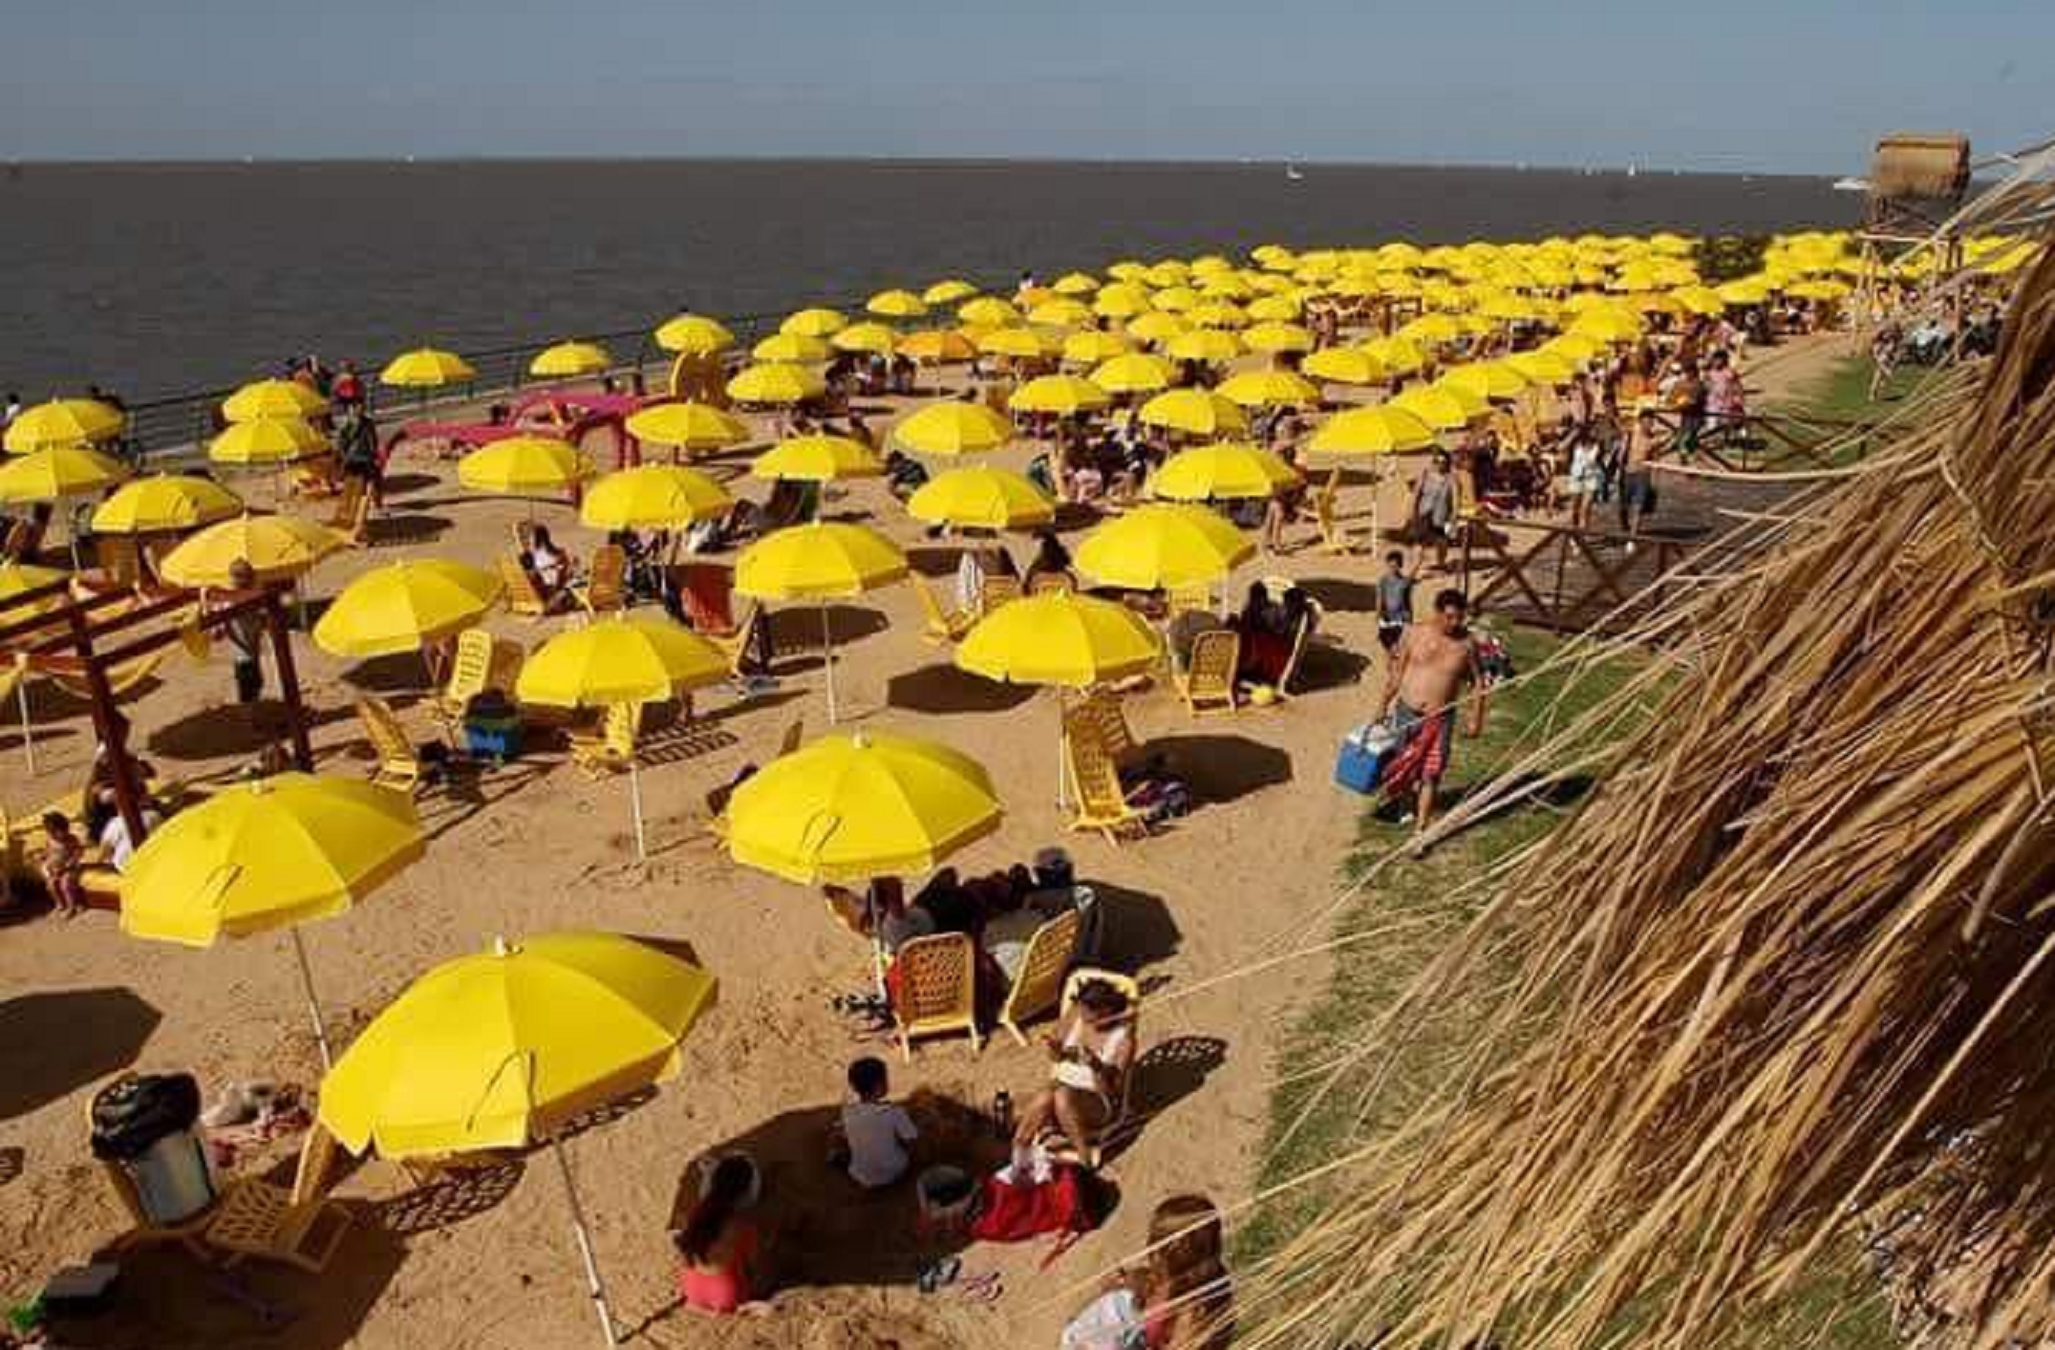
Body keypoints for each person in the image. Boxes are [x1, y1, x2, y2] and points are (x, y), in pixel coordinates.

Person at [1379, 588, 1489, 842]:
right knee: (1404, 766)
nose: (1454, 623)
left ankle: (1421, 826)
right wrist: (1382, 706)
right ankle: (1406, 806)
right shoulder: (1413, 633)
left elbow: (1479, 680)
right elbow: (1396, 672)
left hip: (1439, 719)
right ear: (1437, 612)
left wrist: (1476, 718)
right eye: (1449, 617)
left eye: (1459, 618)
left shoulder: (1466, 644)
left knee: (1431, 773)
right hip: (1407, 711)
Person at [1013, 977, 1137, 1165]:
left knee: (1060, 1094)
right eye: (1081, 1008)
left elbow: (1113, 1092)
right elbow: (1055, 1058)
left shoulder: (1123, 1040)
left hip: (1096, 1103)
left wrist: (1096, 1066)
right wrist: (1055, 1049)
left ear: (1106, 1011)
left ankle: (1084, 1155)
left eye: (1088, 1012)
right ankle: (1019, 1149)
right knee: (1049, 1093)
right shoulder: (1075, 1016)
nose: (1083, 1015)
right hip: (1057, 1091)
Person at [1134, 1195, 1235, 1349]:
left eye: (1157, 1243)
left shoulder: (1194, 1314)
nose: (1150, 1248)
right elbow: (1151, 1283)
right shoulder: (1172, 1277)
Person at [674, 1155, 767, 1315]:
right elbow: (753, 1268)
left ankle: (702, 1305)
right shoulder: (743, 1226)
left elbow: (683, 1256)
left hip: (691, 1290)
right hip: (728, 1297)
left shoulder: (691, 1215)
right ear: (744, 1194)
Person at [840, 1056, 918, 1190]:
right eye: (885, 1079)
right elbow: (912, 1140)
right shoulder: (893, 1111)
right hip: (893, 1173)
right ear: (880, 1086)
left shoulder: (847, 1111)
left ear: (853, 1086)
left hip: (859, 1175)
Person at [224, 558, 267, 705]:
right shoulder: (230, 599)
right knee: (247, 687)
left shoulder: (251, 594)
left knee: (256, 683)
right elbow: (227, 628)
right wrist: (243, 645)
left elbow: (259, 618)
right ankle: (250, 722)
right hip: (242, 652)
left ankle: (255, 717)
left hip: (251, 646)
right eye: (242, 576)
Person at [1409, 450, 1459, 572]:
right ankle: (1415, 569)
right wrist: (1412, 513)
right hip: (1424, 513)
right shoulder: (1425, 475)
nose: (1440, 464)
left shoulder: (1452, 479)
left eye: (1444, 462)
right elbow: (1416, 495)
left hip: (1442, 516)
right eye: (1438, 461)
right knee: (1420, 543)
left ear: (1448, 463)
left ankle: (1441, 564)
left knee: (1442, 543)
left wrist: (1454, 517)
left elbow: (1456, 500)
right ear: (1434, 462)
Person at [1619, 401, 1659, 543]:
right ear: (1641, 421)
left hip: (1642, 475)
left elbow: (1655, 461)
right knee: (1624, 506)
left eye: (1651, 421)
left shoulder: (1653, 440)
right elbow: (1621, 454)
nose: (1649, 424)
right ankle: (1625, 522)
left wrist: (1654, 481)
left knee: (1637, 507)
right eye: (1647, 421)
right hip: (1627, 474)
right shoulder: (1630, 434)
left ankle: (1632, 538)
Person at [98, 796, 165, 873]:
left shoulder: (115, 823)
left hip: (125, 870)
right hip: (155, 863)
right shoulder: (155, 815)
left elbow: (103, 853)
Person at [39, 813, 87, 919]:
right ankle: (60, 904)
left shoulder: (72, 840)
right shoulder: (50, 840)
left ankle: (71, 906)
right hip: (55, 869)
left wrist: (69, 864)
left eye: (57, 832)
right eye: (51, 833)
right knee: (51, 885)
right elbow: (47, 852)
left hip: (70, 869)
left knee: (65, 885)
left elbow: (78, 854)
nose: (54, 836)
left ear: (65, 829)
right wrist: (42, 857)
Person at [1375, 550, 1415, 653]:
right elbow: (1379, 599)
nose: (1393, 569)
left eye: (1395, 566)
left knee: (1399, 645)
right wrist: (1378, 615)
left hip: (1401, 617)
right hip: (1387, 617)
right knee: (1389, 645)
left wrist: (1410, 617)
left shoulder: (1404, 582)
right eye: (1390, 566)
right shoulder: (1383, 581)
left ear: (1400, 565)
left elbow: (1408, 601)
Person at [525, 524, 572, 597]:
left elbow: (561, 566)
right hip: (548, 583)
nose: (529, 540)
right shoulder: (536, 552)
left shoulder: (540, 553)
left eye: (531, 538)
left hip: (549, 585)